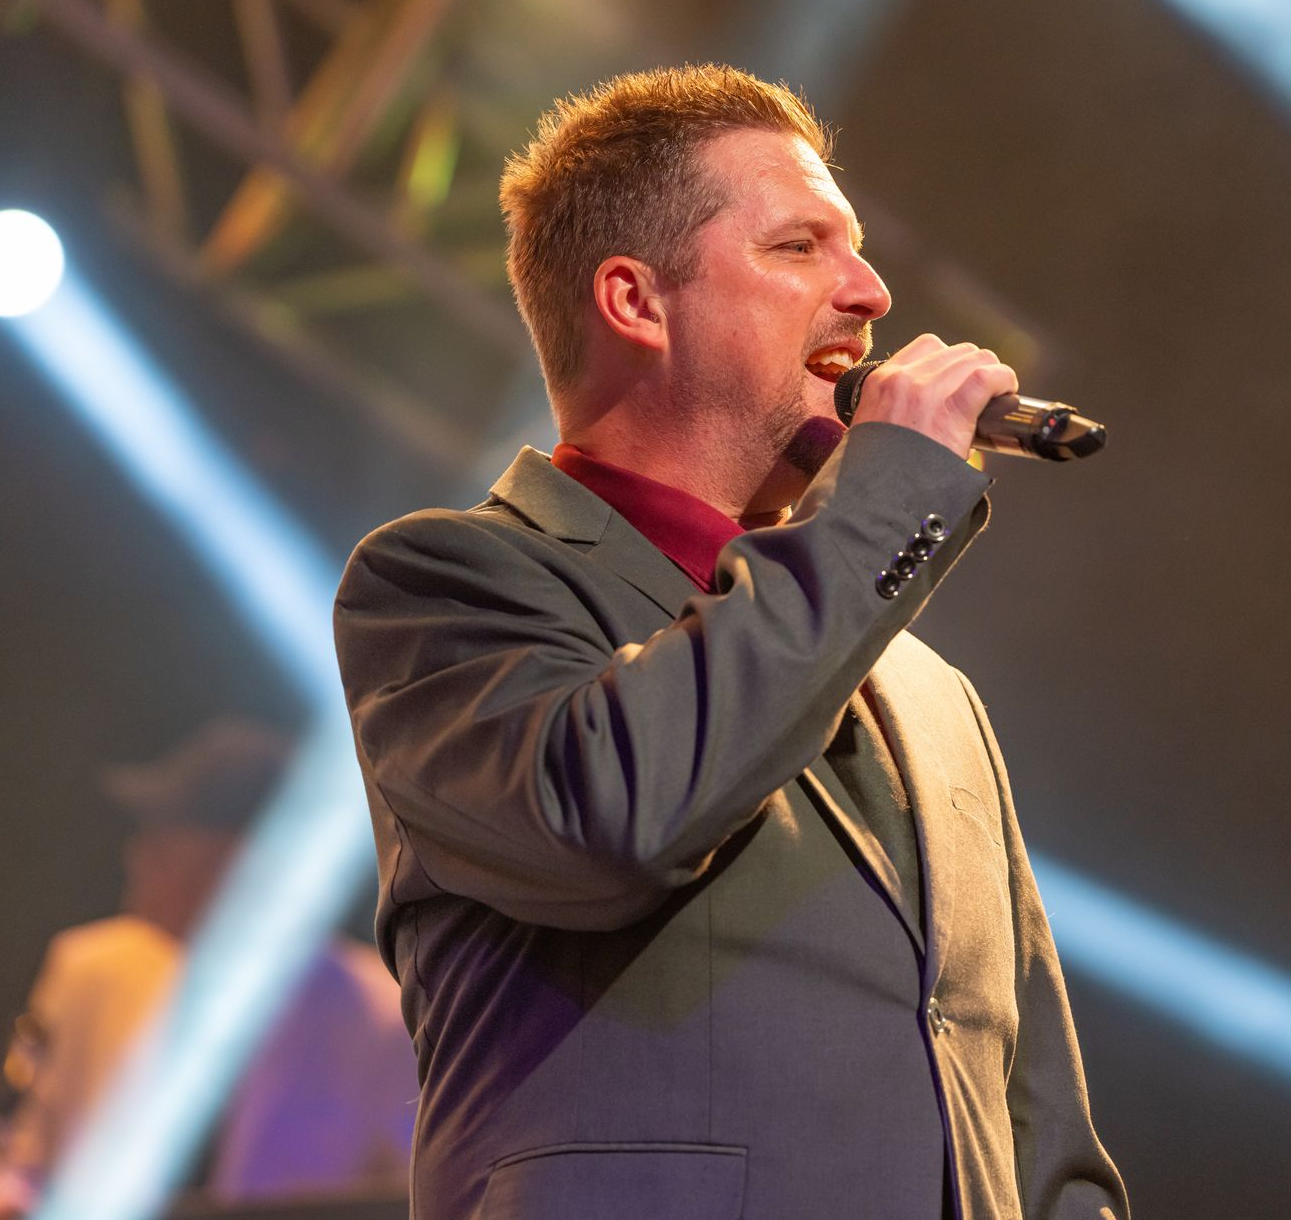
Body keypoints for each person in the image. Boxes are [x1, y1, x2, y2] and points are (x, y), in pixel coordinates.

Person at [333, 64, 1127, 1220]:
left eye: (852, 248)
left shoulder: (927, 689)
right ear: (634, 301)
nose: (869, 291)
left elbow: (1034, 1117)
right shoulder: (449, 580)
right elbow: (609, 818)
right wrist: (887, 497)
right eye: (799, 246)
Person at [0, 719, 417, 1218]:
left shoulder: (383, 1011)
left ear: (238, 862)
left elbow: (413, 1191)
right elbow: (19, 1162)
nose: (138, 855)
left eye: (165, 836)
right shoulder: (88, 970)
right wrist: (3, 1199)